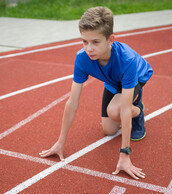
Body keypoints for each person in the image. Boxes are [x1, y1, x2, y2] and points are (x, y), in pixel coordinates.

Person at [39, 6, 153, 180]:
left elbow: (122, 110)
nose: (89, 48)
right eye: (84, 41)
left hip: (135, 77)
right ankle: (128, 104)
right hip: (112, 82)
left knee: (117, 111)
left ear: (110, 39)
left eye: (95, 42)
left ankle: (137, 111)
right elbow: (72, 102)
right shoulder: (82, 58)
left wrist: (125, 155)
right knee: (108, 130)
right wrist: (60, 142)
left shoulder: (127, 60)